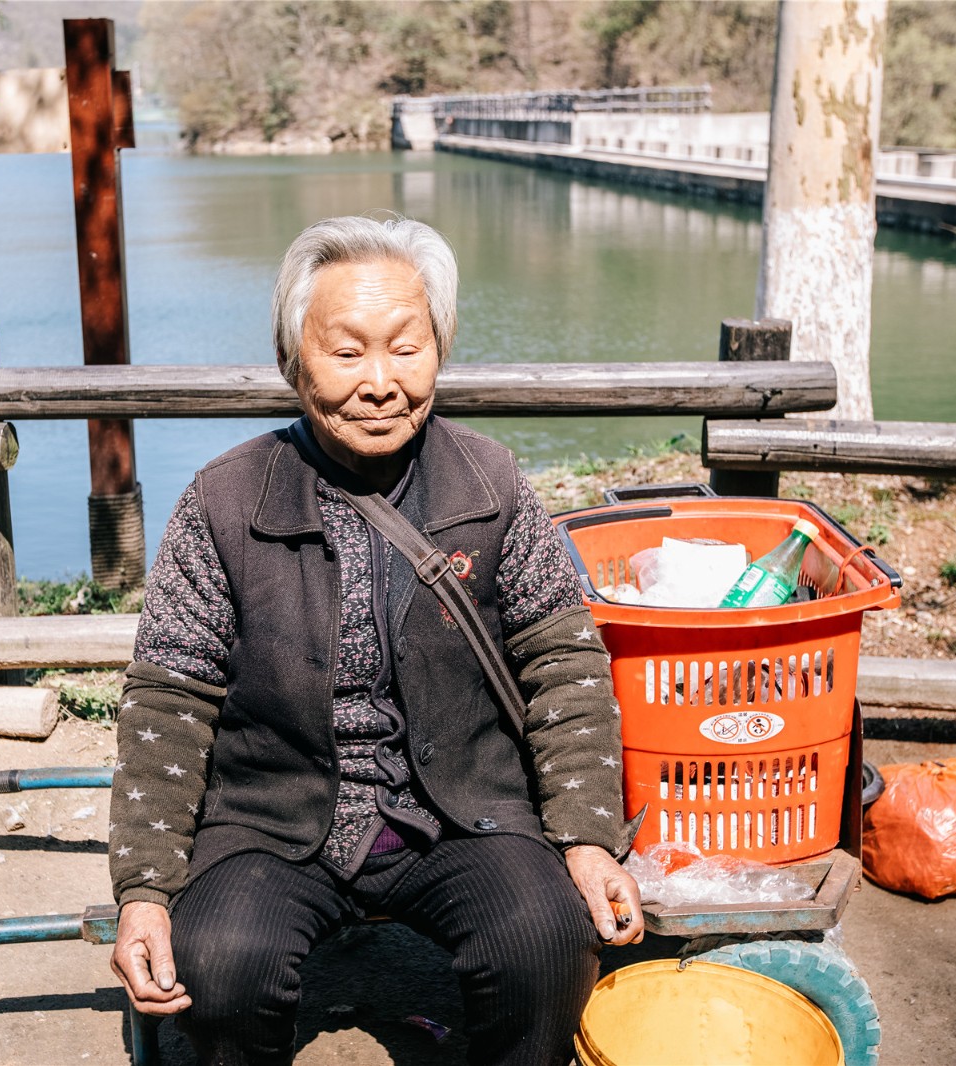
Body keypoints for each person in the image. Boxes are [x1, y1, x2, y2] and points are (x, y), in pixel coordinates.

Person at [107, 214, 642, 1066]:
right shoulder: (223, 502)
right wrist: (143, 888)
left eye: (407, 347)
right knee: (216, 967)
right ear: (292, 362)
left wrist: (585, 836)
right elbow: (167, 702)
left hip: (461, 811)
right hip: (275, 820)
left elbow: (564, 665)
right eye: (347, 352)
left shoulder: (492, 484)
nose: (382, 381)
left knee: (544, 945)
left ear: (441, 350)